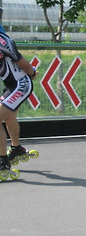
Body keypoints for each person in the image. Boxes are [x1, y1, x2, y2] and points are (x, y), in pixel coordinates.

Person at [0, 18, 38, 171]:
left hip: (20, 84)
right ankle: (16, 148)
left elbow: (21, 62)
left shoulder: (1, 40)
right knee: (9, 117)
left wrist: (33, 73)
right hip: (10, 84)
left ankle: (2, 162)